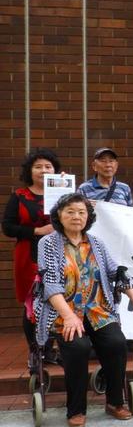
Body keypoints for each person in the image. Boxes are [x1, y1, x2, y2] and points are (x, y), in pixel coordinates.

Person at [34, 193, 133, 427]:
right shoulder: (47, 243)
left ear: (88, 216)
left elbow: (115, 272)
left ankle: (115, 402)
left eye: (81, 212)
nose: (76, 217)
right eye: (70, 212)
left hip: (97, 310)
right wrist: (68, 315)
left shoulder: (96, 243)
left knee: (117, 343)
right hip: (63, 313)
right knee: (78, 348)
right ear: (59, 215)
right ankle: (76, 409)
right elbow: (51, 285)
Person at [2, 148, 61, 353]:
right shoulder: (19, 196)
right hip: (28, 255)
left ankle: (52, 347)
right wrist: (37, 230)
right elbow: (8, 227)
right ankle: (36, 350)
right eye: (38, 167)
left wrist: (66, 188)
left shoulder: (63, 193)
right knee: (32, 303)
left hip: (59, 254)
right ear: (30, 171)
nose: (43, 170)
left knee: (58, 298)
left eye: (48, 166)